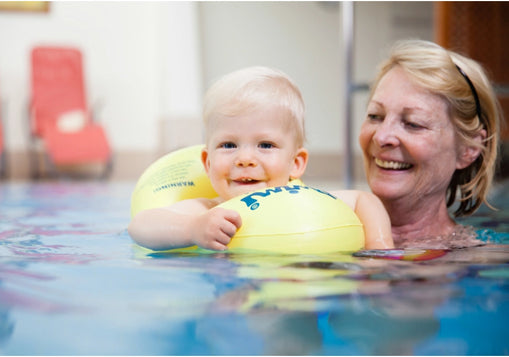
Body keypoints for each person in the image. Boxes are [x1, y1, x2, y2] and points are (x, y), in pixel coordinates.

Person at [129, 66, 394, 251]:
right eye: (228, 145)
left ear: (296, 163)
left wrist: (379, 251)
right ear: (208, 163)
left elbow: (364, 200)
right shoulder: (209, 210)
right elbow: (140, 225)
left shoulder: (304, 202)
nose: (245, 158)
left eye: (265, 145)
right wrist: (192, 229)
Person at [359, 39, 501, 248]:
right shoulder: (318, 231)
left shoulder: (479, 260)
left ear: (468, 149)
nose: (382, 137)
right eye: (375, 116)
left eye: (413, 124)